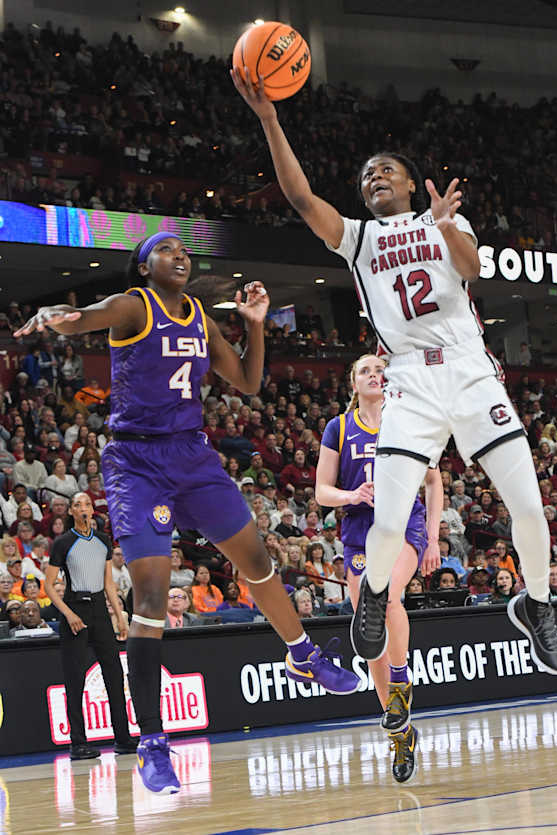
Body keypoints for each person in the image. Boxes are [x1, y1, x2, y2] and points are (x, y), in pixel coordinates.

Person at [233, 68, 557, 684]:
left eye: (386, 169)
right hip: (408, 377)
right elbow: (303, 199)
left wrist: (444, 225)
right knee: (388, 521)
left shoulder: (444, 220)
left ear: (412, 183)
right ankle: (372, 597)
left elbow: (470, 270)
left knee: (528, 507)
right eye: (366, 176)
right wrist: (270, 119)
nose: (374, 177)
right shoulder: (358, 239)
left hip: (468, 367)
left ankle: (539, 602)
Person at [15, 232, 359, 795]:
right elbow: (84, 316)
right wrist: (55, 315)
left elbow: (247, 381)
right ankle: (153, 744)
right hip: (135, 460)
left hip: (192, 454)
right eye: (167, 249)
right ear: (145, 266)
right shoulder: (134, 304)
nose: (180, 254)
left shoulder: (200, 316)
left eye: (184, 249)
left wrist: (253, 323)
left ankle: (302, 654)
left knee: (257, 560)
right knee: (150, 599)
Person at [316, 353, 442, 782]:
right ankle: (401, 733)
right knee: (370, 641)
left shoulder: (406, 417)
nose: (373, 374)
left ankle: (403, 683)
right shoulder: (339, 427)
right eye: (364, 370)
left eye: (378, 369)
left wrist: (435, 535)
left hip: (403, 522)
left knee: (384, 594)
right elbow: (321, 491)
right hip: (359, 530)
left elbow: (433, 479)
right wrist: (351, 496)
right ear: (353, 383)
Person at [43, 493, 136, 760]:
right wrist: (69, 614)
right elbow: (49, 585)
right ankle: (77, 743)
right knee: (75, 678)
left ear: (92, 510)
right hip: (75, 607)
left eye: (87, 504)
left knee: (115, 674)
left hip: (99, 610)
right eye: (78, 505)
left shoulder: (103, 541)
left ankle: (123, 737)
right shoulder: (63, 543)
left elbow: (109, 584)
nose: (83, 508)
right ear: (71, 511)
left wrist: (120, 616)